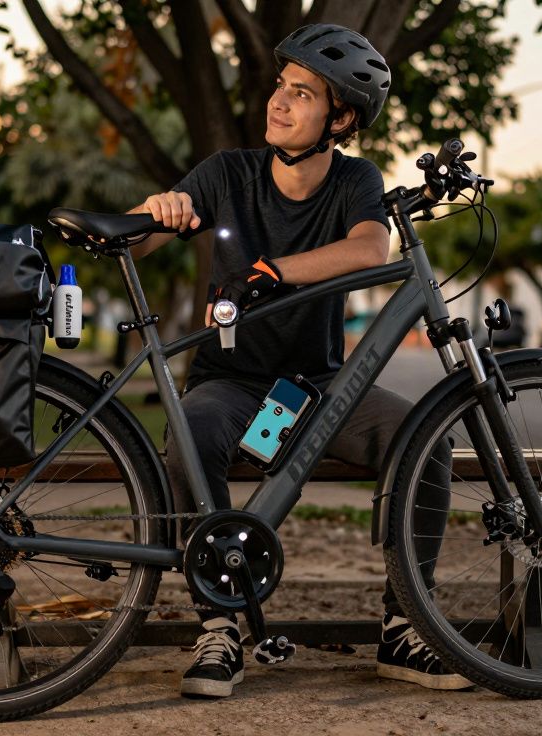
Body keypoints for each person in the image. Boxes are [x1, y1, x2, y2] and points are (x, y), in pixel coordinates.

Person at [127, 24, 465, 699]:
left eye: (301, 93)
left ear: (340, 118)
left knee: (429, 442)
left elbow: (370, 249)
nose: (278, 102)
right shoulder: (228, 172)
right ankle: (219, 624)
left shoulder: (354, 180)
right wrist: (155, 212)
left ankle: (404, 624)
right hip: (231, 381)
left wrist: (269, 271)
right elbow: (137, 242)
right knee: (188, 436)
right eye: (281, 87)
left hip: (317, 386)